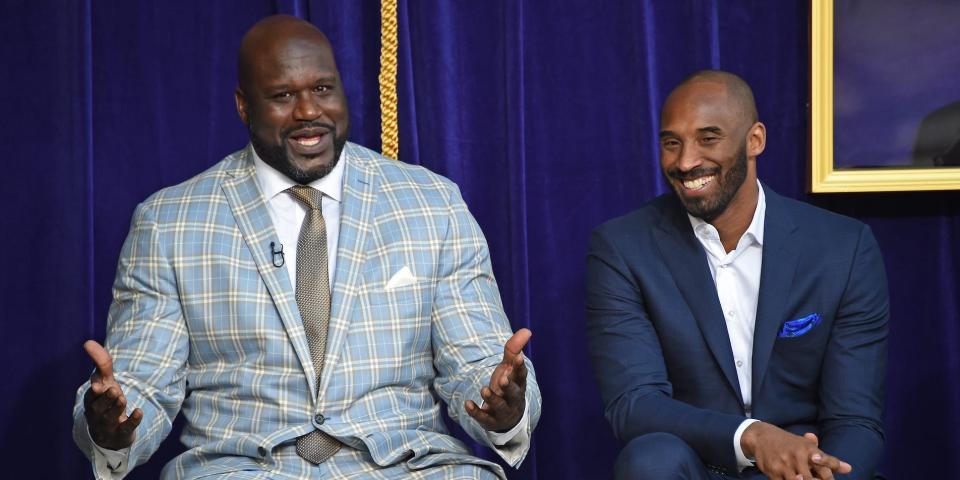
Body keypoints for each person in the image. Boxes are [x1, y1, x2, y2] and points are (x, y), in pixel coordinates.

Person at [73, 15, 540, 480]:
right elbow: (142, 384)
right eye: (282, 96)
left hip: (408, 467)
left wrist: (500, 404)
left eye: (322, 89)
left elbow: (477, 362)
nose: (308, 112)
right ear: (243, 106)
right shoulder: (169, 222)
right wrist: (111, 427)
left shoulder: (431, 203)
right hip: (241, 470)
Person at [586, 70, 887, 480]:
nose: (686, 161)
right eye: (671, 143)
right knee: (649, 460)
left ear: (755, 140)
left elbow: (855, 419)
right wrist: (753, 436)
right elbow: (633, 404)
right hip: (691, 463)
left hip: (801, 471)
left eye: (708, 138)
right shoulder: (622, 248)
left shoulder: (843, 248)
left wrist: (823, 471)